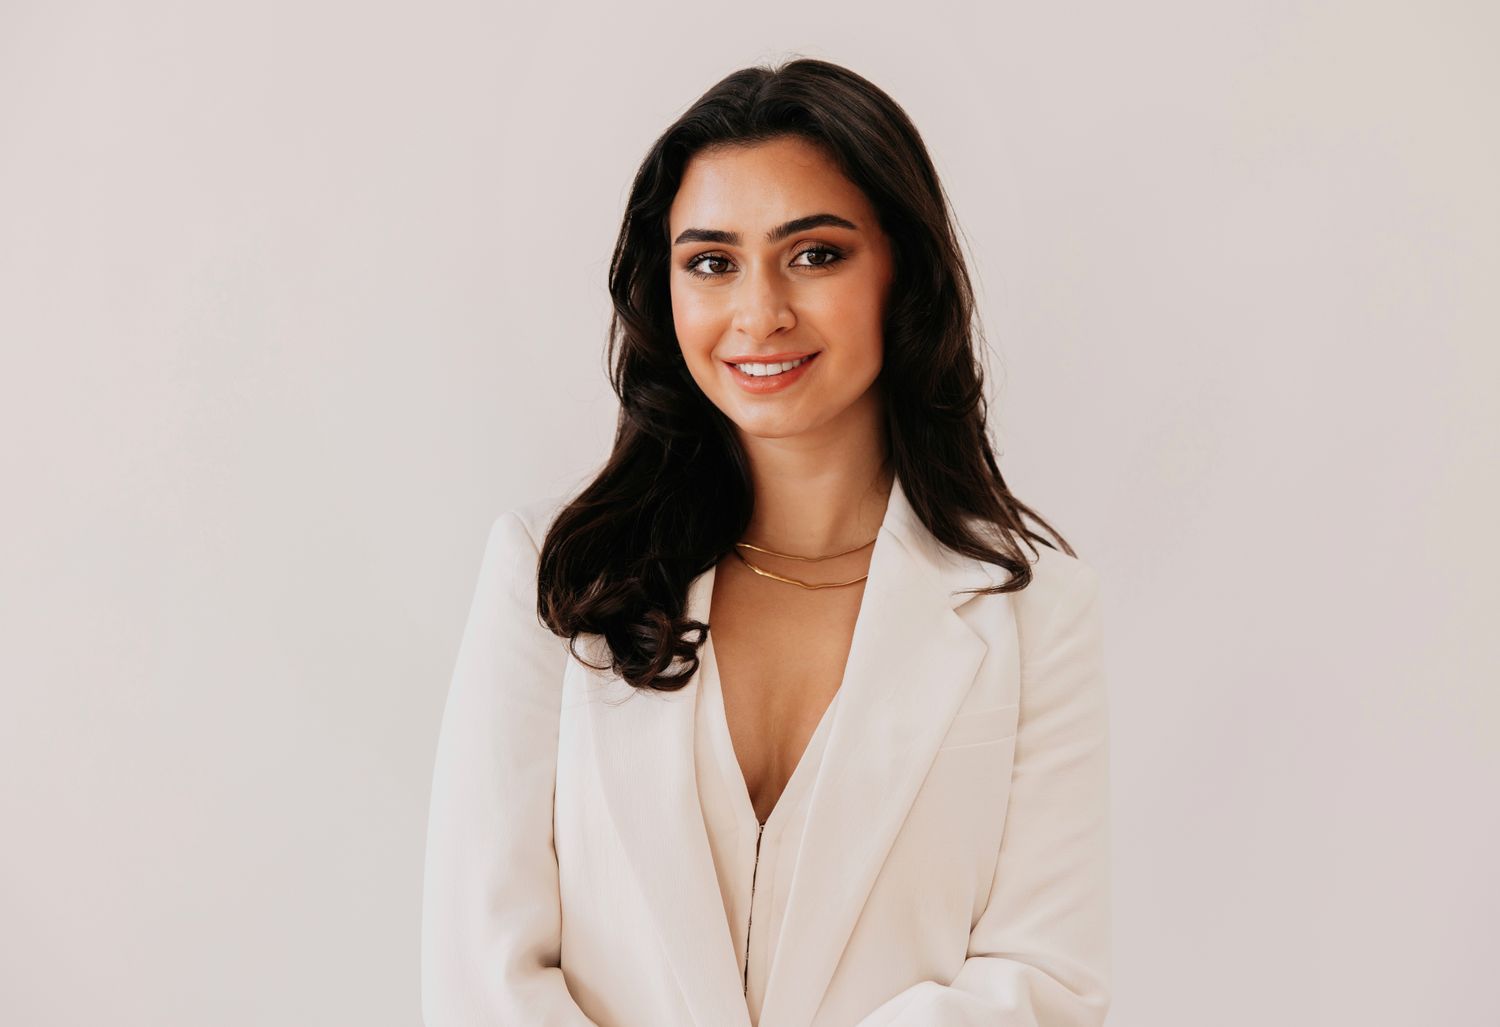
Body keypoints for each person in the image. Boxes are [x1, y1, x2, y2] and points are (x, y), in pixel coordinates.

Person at [421, 57, 1110, 1027]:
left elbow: (1041, 983)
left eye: (815, 254)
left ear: (902, 270)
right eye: (712, 262)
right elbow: (482, 976)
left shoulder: (1037, 616)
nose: (760, 313)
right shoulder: (556, 574)